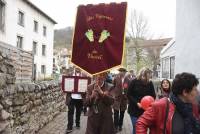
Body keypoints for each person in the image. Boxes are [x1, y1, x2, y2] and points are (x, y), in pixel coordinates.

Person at [136, 72, 200, 134]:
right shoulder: (161, 105)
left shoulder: (192, 106)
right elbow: (141, 123)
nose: (197, 92)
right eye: (194, 89)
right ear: (185, 92)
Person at [127, 67, 156, 134]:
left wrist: (149, 103)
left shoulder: (150, 83)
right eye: (143, 76)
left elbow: (153, 96)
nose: (144, 78)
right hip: (134, 109)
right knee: (136, 126)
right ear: (141, 74)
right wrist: (137, 103)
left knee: (143, 128)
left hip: (145, 111)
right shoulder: (134, 81)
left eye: (147, 77)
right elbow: (129, 95)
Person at [65, 68, 85, 133]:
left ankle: (77, 123)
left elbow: (87, 86)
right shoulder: (70, 74)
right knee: (70, 112)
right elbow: (65, 84)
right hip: (71, 97)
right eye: (76, 67)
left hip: (80, 98)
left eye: (78, 67)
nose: (77, 68)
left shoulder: (84, 76)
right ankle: (69, 127)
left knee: (78, 112)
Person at [112, 67, 129, 132]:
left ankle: (120, 125)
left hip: (124, 99)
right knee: (116, 113)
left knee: (122, 113)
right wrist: (114, 94)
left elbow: (128, 88)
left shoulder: (127, 79)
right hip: (117, 98)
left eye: (124, 72)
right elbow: (113, 87)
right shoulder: (116, 78)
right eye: (121, 71)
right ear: (119, 72)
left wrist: (127, 96)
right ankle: (115, 126)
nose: (122, 73)